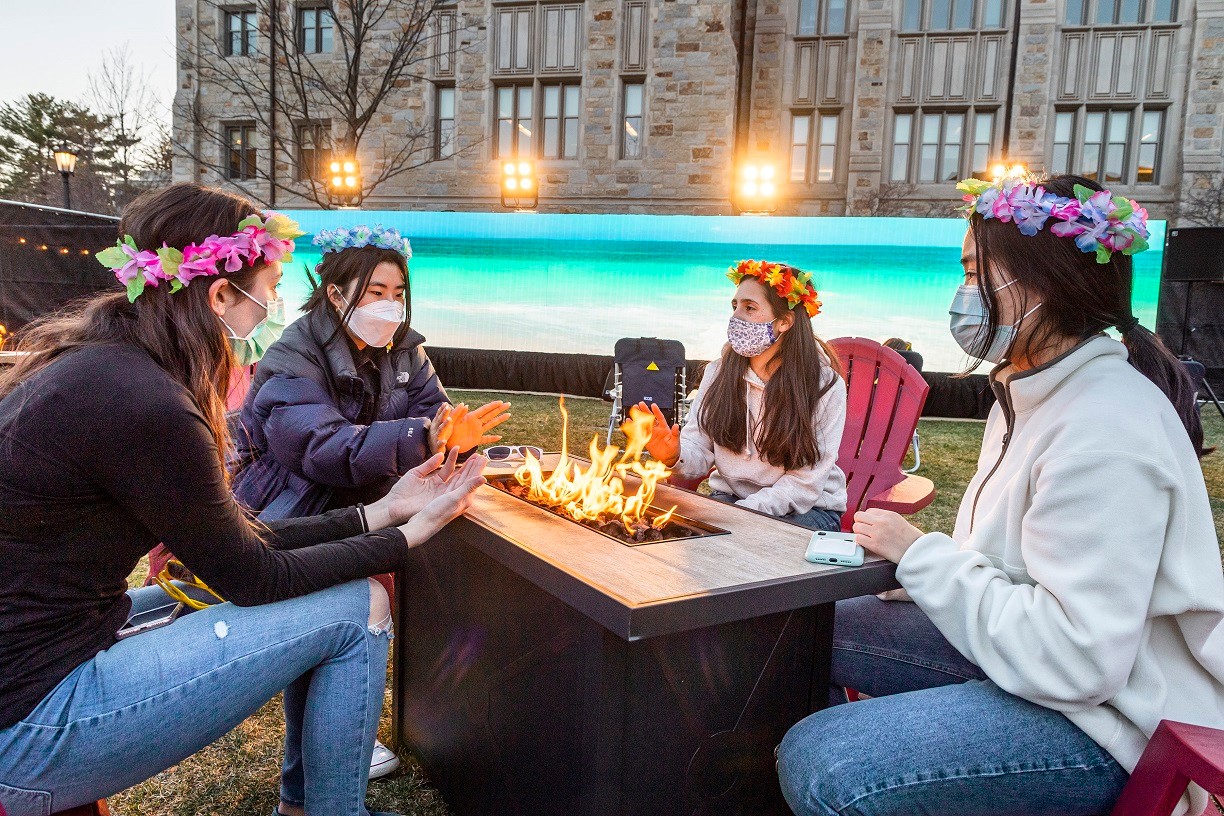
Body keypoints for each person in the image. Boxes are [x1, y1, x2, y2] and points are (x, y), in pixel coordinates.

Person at [0, 183, 487, 816]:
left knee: (328, 593)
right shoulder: (149, 402)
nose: (276, 303)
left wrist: (382, 510)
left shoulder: (98, 366)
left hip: (37, 667)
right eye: (271, 285)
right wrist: (404, 537)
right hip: (31, 721)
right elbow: (252, 575)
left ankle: (305, 803)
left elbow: (239, 543)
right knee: (360, 604)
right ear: (221, 294)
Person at [776, 174, 1224, 816]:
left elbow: (1076, 661)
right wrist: (935, 575)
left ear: (1041, 280)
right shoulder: (1028, 395)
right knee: (805, 628)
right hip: (1044, 673)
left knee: (827, 763)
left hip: (1115, 723)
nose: (962, 294)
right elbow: (1021, 571)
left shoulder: (1105, 427)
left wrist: (924, 558)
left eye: (972, 270)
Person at [232, 224, 509, 520]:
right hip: (288, 503)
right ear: (336, 296)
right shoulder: (294, 356)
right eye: (377, 293)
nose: (390, 306)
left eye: (398, 295)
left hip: (371, 494)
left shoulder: (406, 349)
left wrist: (452, 438)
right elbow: (320, 448)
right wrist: (420, 439)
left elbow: (433, 414)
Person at [640, 260, 847, 532]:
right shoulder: (718, 373)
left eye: (750, 308)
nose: (736, 317)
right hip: (731, 501)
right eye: (734, 306)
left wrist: (741, 515)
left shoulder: (823, 385)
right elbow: (699, 448)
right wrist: (674, 455)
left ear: (784, 322)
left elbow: (803, 485)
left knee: (752, 553)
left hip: (808, 509)